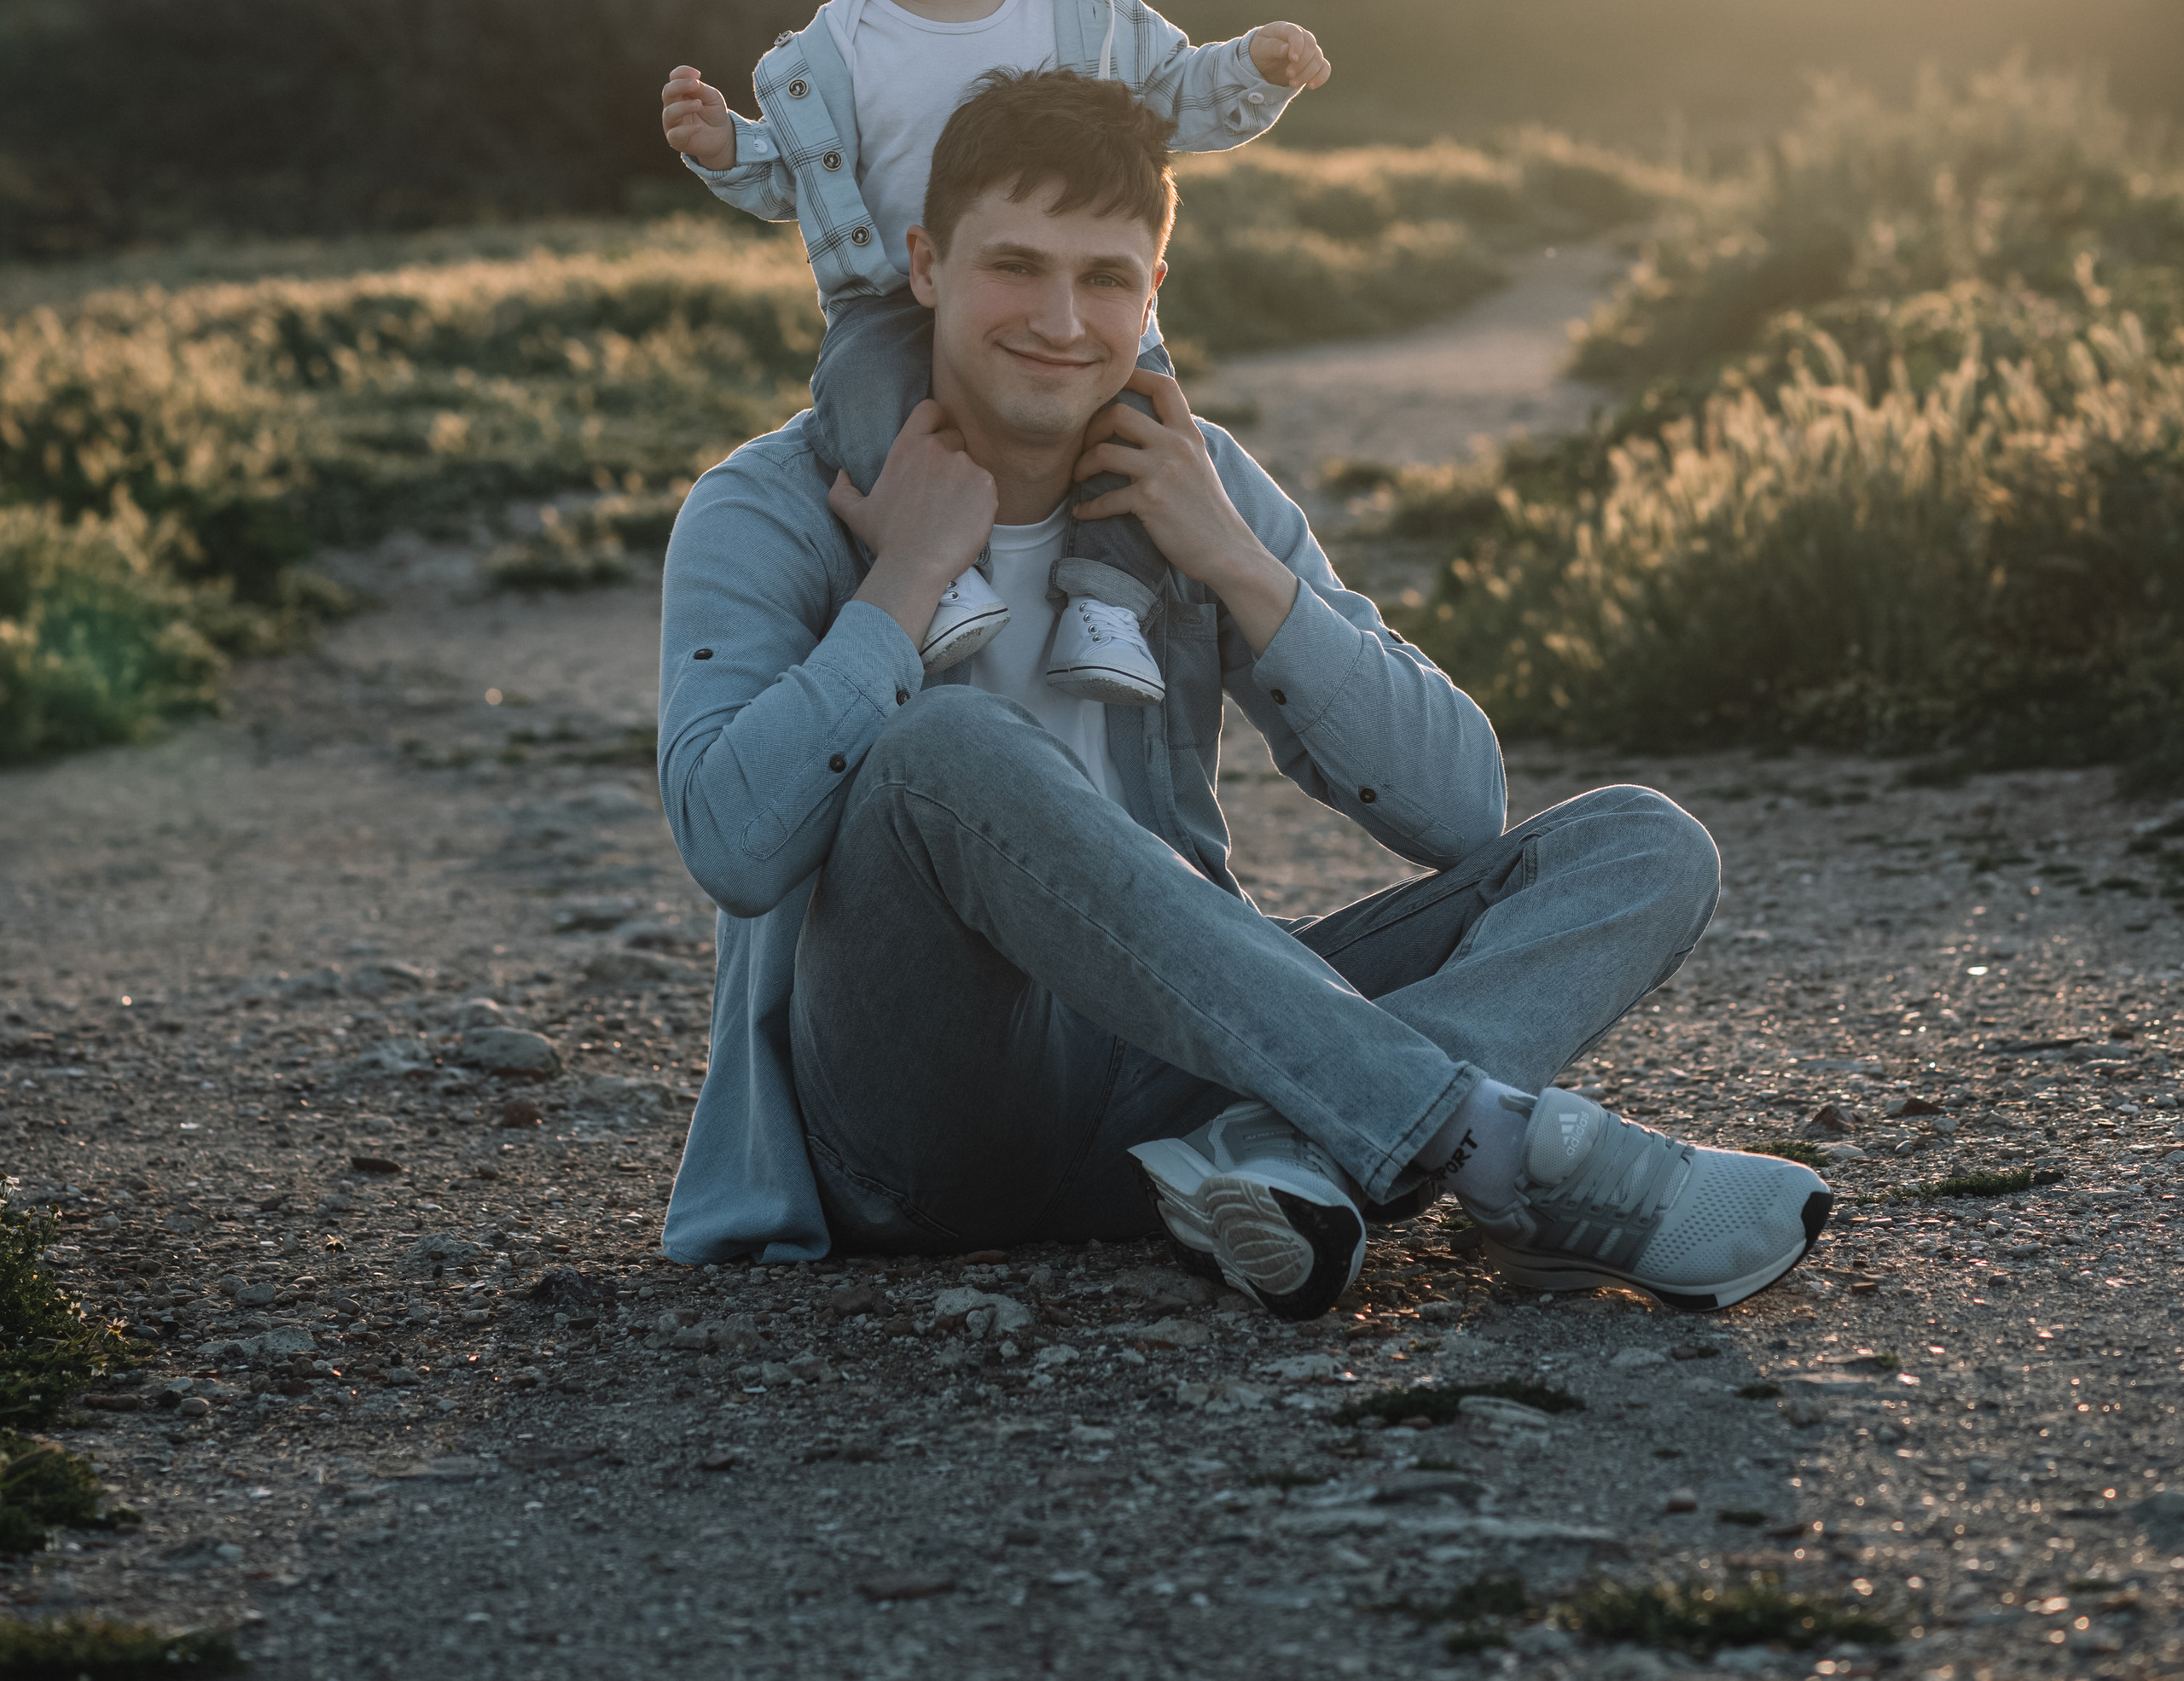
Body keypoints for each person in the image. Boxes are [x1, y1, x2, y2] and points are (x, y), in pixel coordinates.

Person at [656, 69, 1832, 1317]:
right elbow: (733, 840)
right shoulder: (772, 503)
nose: (1062, 318)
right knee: (946, 748)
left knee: (1640, 842)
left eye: (1106, 276)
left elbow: (1458, 805)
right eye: (1017, 265)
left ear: (1153, 292)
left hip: (1165, 1092)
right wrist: (901, 582)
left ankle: (1287, 1155)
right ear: (927, 263)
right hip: (918, 1137)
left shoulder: (1192, 479)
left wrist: (1234, 562)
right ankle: (1473, 1138)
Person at [660, 0, 1330, 708]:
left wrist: (1255, 64)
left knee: (1131, 433)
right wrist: (725, 146)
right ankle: (941, 577)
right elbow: (791, 173)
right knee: (863, 405)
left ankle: (1108, 605)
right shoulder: (835, 47)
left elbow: (1179, 97)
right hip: (892, 298)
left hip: (1061, 287)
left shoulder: (1079, 17)